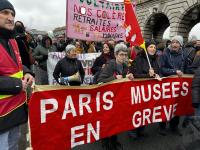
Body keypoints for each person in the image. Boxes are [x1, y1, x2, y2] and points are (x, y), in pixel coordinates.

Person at [0, 0, 34, 149]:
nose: (11, 18)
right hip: (1, 114)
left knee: (13, 145)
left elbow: (17, 65)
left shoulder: (12, 40)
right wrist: (16, 84)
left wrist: (27, 72)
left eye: (13, 14)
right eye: (5, 12)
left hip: (16, 109)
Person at [97, 43, 134, 150]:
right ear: (116, 55)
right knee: (108, 122)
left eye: (125, 55)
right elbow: (100, 80)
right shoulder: (110, 65)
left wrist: (129, 77)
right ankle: (105, 142)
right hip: (107, 100)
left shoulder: (126, 66)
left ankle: (113, 142)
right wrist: (113, 78)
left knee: (115, 122)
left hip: (118, 99)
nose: (123, 57)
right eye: (121, 54)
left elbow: (123, 79)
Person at [129, 40, 160, 138]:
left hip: (149, 91)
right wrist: (148, 75)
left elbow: (156, 73)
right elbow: (135, 75)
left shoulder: (155, 60)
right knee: (137, 110)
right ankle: (132, 130)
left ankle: (142, 129)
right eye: (151, 47)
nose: (153, 49)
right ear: (146, 48)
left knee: (146, 110)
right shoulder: (139, 58)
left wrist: (156, 75)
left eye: (154, 47)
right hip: (139, 90)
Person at [159, 35, 185, 136]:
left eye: (177, 42)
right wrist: (174, 71)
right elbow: (162, 69)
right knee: (164, 106)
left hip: (178, 86)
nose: (174, 44)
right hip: (166, 85)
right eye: (173, 42)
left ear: (180, 45)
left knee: (176, 106)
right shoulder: (165, 54)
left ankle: (174, 126)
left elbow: (185, 69)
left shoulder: (184, 55)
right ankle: (162, 126)